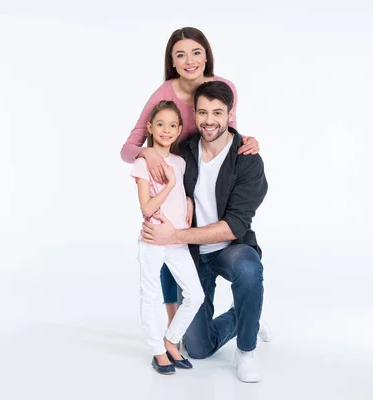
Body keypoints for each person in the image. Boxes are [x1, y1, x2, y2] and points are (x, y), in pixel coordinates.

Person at [121, 26, 260, 326]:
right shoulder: (163, 94)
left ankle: (248, 314)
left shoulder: (225, 86)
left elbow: (227, 130)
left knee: (217, 244)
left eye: (196, 52)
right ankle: (174, 325)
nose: (189, 60)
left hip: (208, 180)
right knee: (166, 245)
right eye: (180, 55)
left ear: (207, 55)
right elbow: (128, 148)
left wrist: (248, 140)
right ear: (172, 61)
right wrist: (148, 153)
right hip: (172, 183)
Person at [140, 81, 269, 382]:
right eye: (202, 112)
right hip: (194, 254)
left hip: (231, 247)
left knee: (249, 269)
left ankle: (247, 349)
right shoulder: (183, 150)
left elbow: (234, 225)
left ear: (230, 114)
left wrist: (173, 236)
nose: (209, 120)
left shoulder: (247, 159)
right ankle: (246, 316)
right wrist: (146, 155)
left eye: (217, 112)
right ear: (194, 114)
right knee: (198, 348)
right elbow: (150, 150)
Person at [131, 100, 204, 375]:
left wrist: (188, 201)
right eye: (160, 124)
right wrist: (170, 184)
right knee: (149, 297)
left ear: (179, 129)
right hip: (152, 241)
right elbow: (147, 208)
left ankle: (170, 340)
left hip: (177, 240)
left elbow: (182, 194)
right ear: (150, 127)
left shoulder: (181, 162)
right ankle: (157, 350)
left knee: (195, 295)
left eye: (172, 125)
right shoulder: (143, 163)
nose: (166, 130)